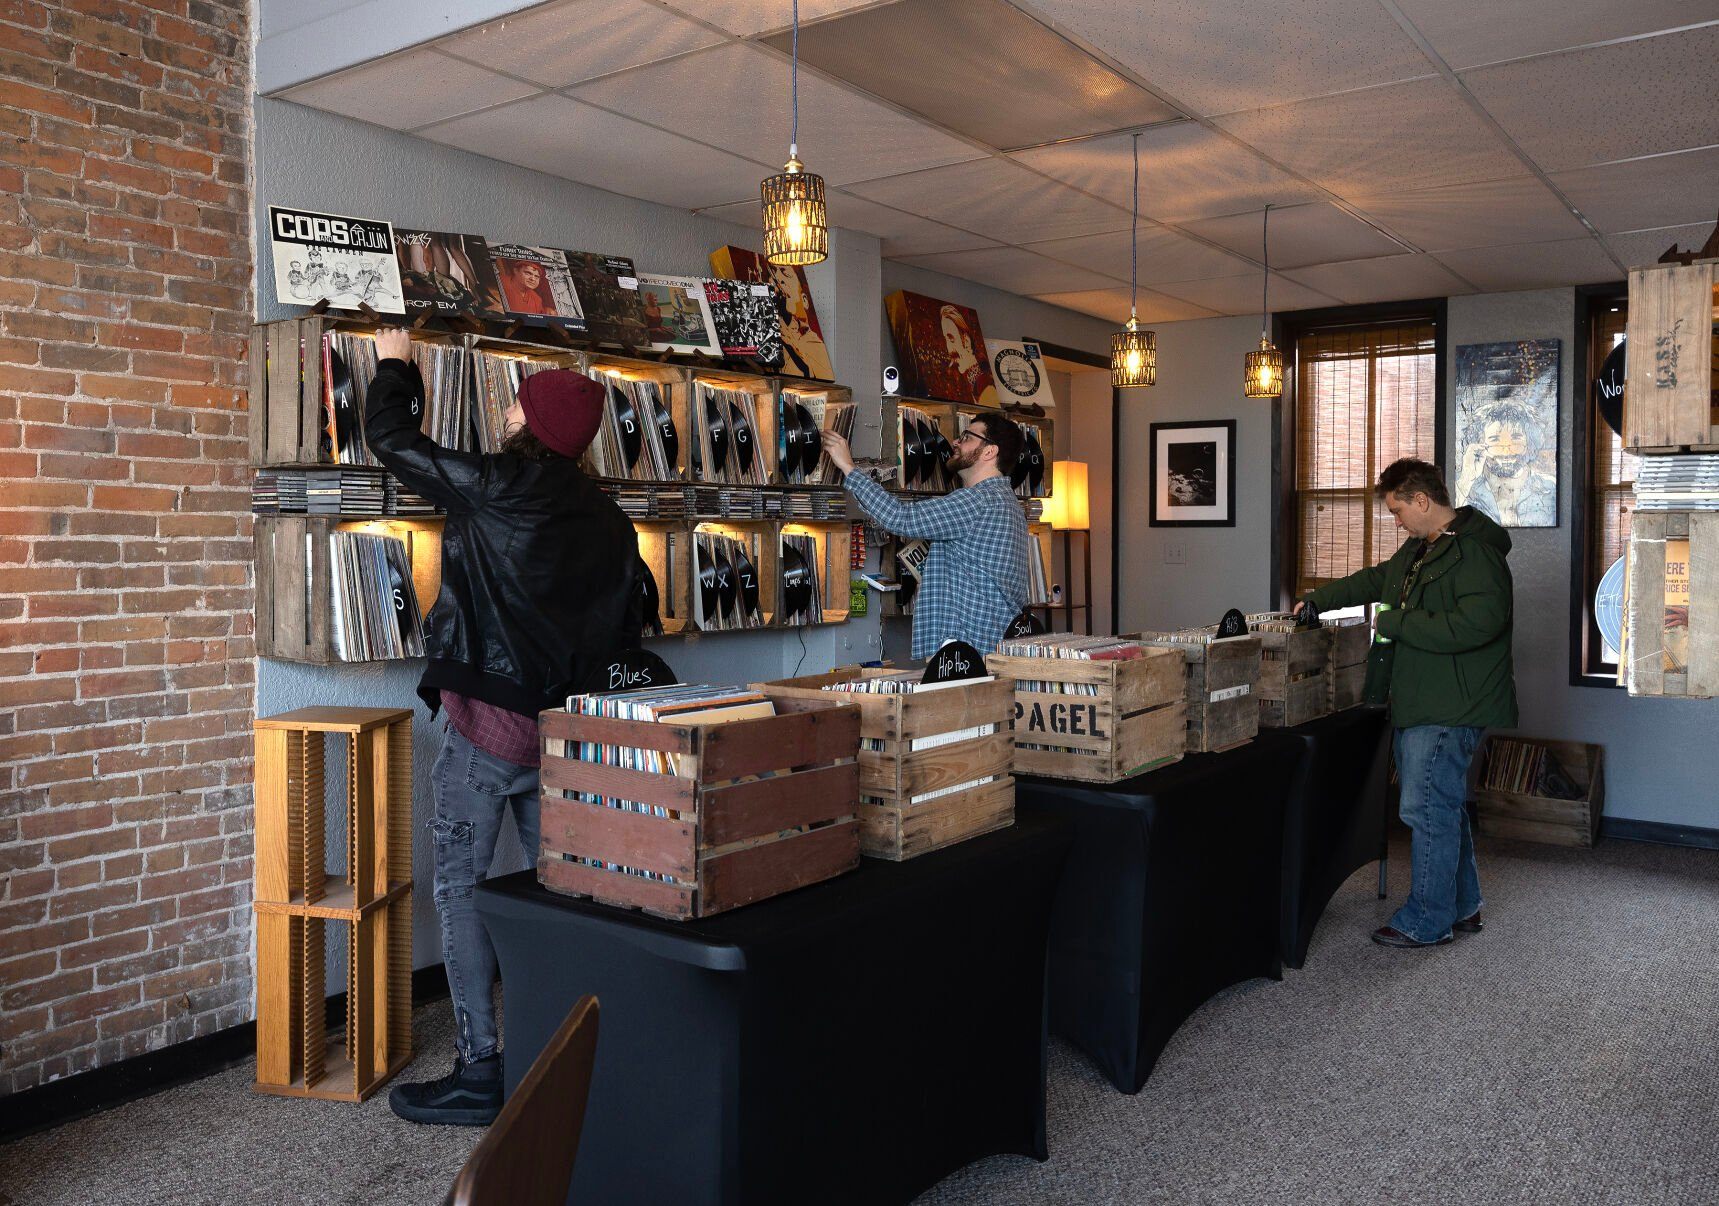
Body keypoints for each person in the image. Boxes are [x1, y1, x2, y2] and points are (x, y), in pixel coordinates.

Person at [363, 328, 640, 1125]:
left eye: (519, 398)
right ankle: (557, 1062)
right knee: (557, 896)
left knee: (460, 894)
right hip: (562, 736)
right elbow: (633, 621)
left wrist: (393, 360)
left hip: (487, 727)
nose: (507, 403)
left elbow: (391, 439)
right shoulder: (611, 519)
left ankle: (482, 1073)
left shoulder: (496, 484)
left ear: (532, 419)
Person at [1297, 458, 1517, 949]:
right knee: (1443, 807)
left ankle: (1427, 918)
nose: (1395, 520)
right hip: (1426, 697)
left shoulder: (1476, 553)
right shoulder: (1423, 549)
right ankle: (1462, 907)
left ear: (1422, 500)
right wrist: (1319, 599)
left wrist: (1395, 625)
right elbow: (1380, 579)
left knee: (1425, 810)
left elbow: (1481, 625)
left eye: (1398, 510)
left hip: (1449, 705)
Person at [821, 412, 1027, 658]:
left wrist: (848, 467)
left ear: (989, 452)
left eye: (967, 436)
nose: (956, 442)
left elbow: (901, 518)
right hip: (986, 647)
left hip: (964, 652)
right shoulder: (1007, 501)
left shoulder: (977, 500)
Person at [1455, 400, 1556, 527]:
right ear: (1480, 443)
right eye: (1495, 439)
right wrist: (1467, 478)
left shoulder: (1550, 486)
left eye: (1516, 438)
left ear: (1529, 442)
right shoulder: (1464, 488)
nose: (1506, 450)